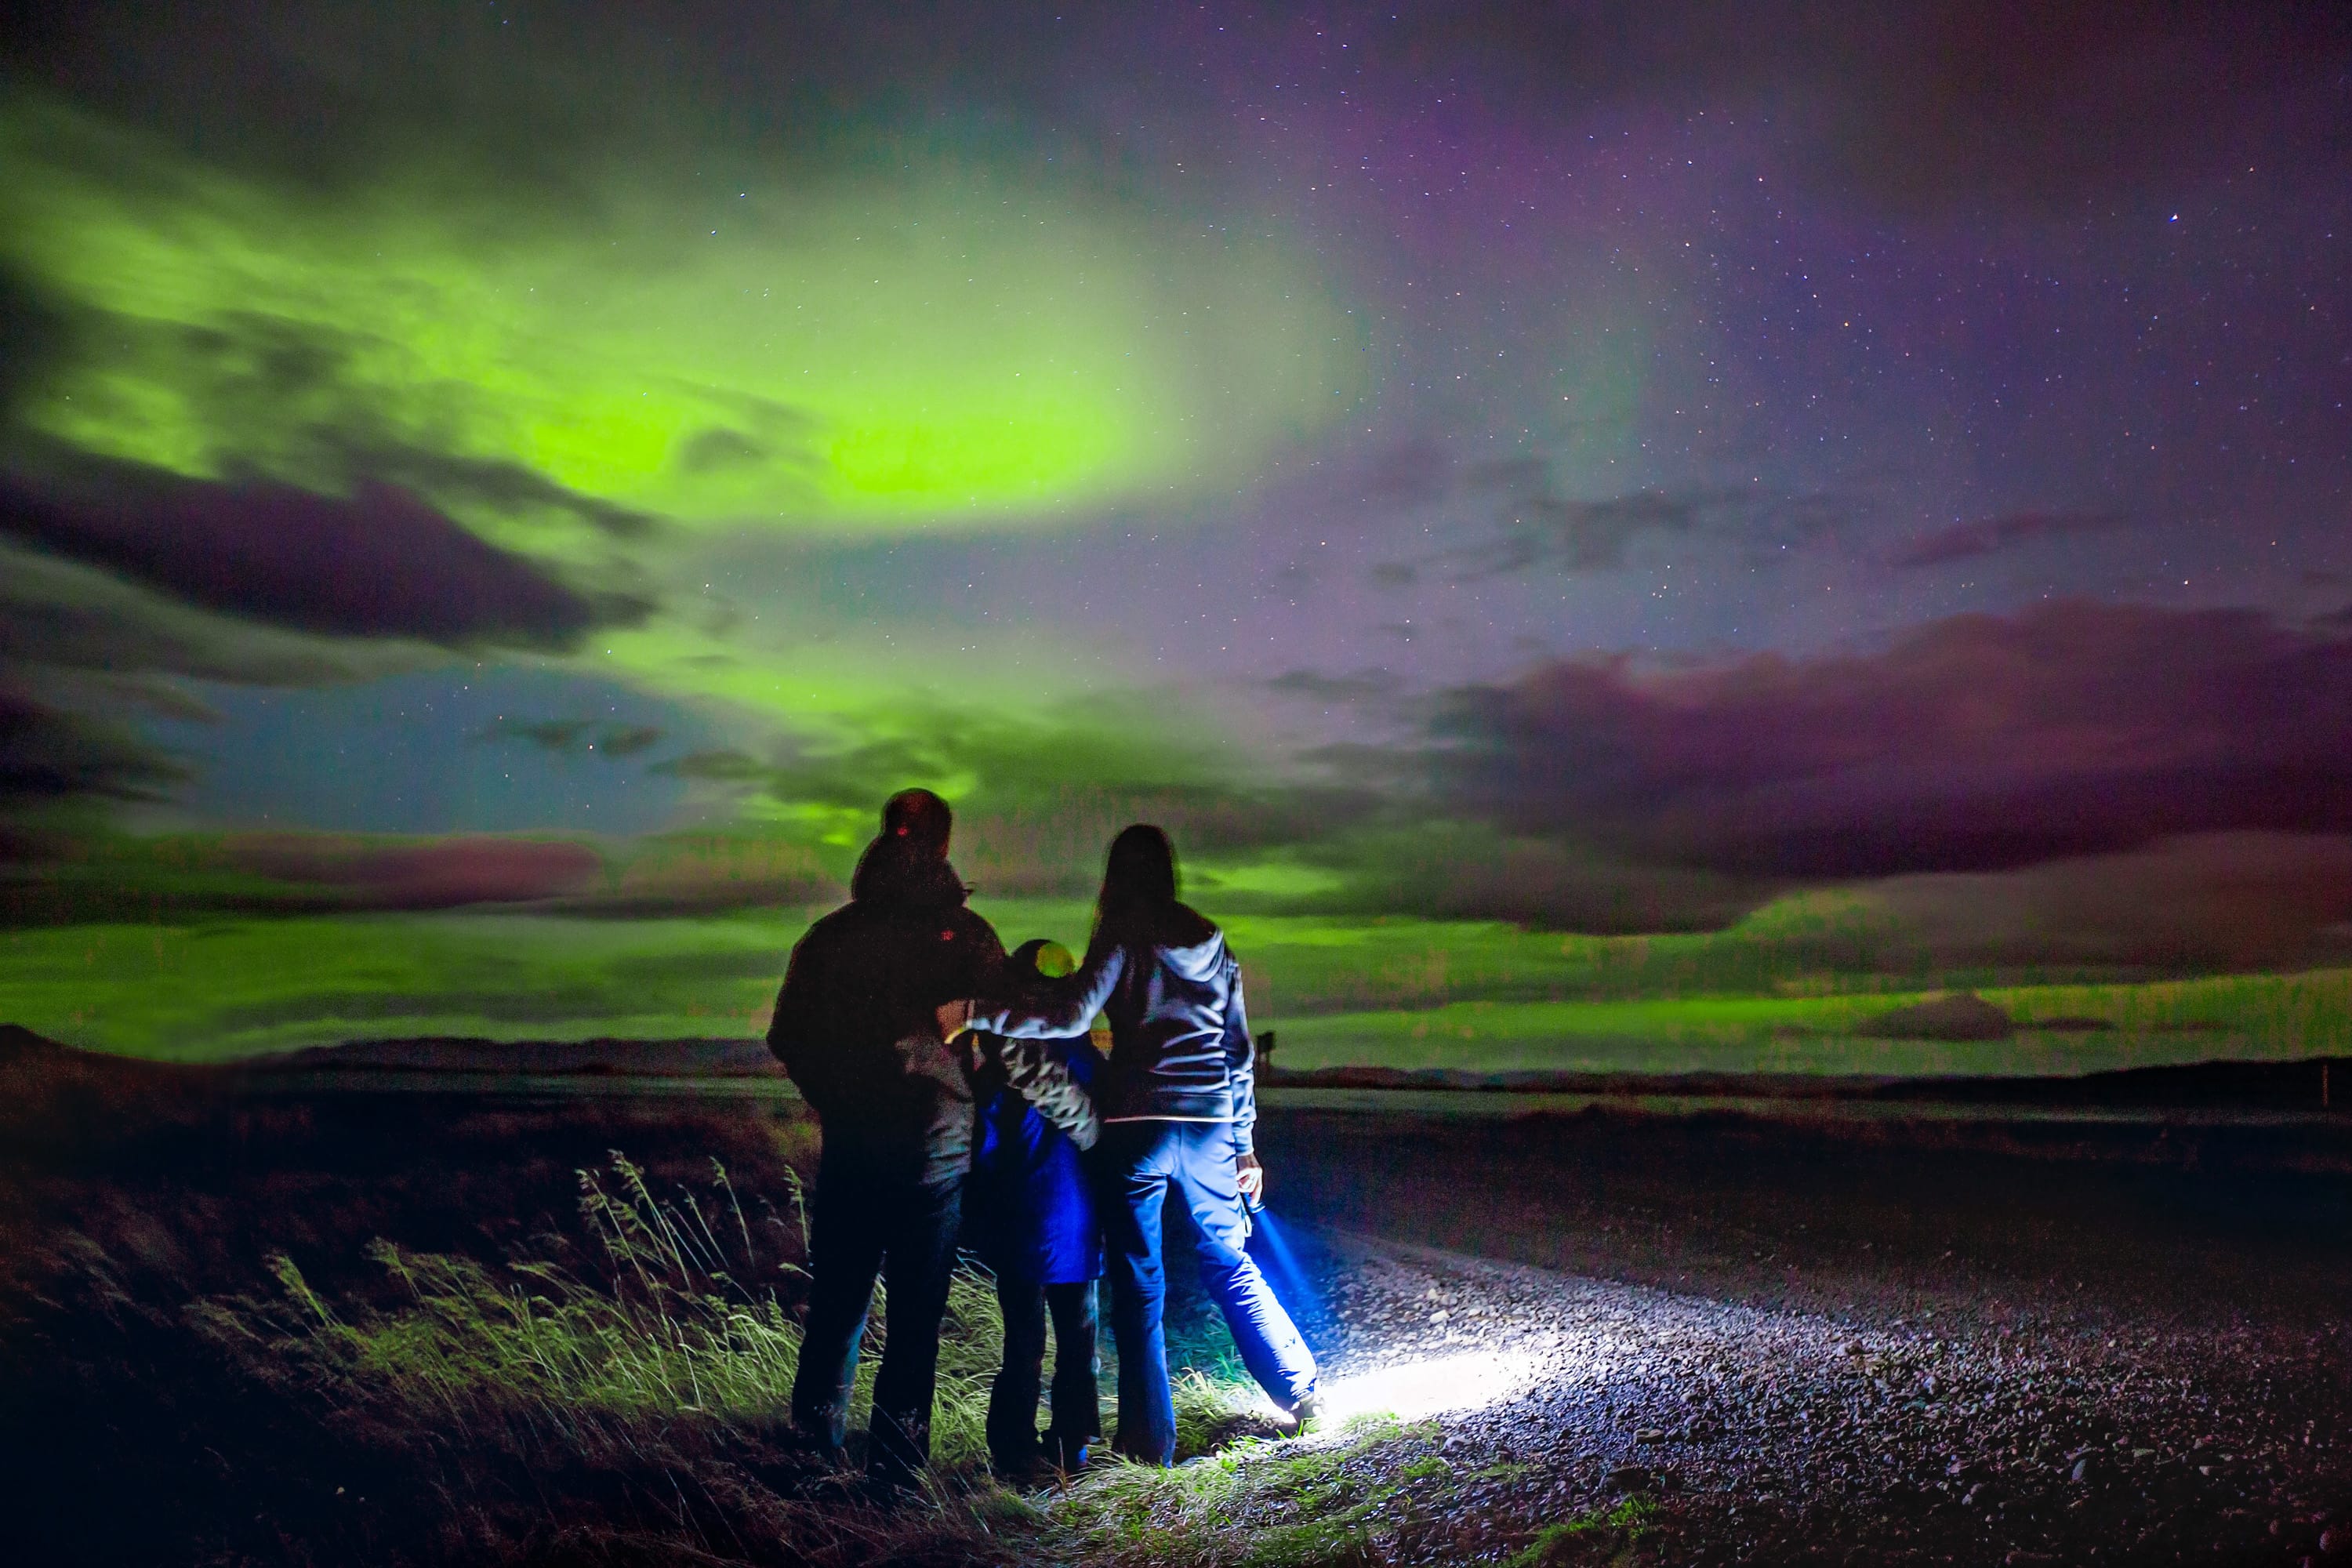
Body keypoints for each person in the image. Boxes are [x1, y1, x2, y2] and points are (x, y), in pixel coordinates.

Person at [942, 824, 1318, 1466]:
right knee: (1230, 1260)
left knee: (1140, 1289)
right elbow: (1237, 1052)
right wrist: (1245, 1146)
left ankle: (1149, 1449)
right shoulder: (1213, 940)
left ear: (1116, 877)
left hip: (1136, 1127)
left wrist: (975, 1011)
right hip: (1207, 1130)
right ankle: (1301, 1391)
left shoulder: (1119, 933)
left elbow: (1067, 1019)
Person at [767, 789, 1095, 1487]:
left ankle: (810, 1461)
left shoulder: (830, 937)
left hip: (855, 1153)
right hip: (936, 1159)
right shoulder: (971, 939)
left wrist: (838, 1101)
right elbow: (1006, 1047)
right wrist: (992, 1101)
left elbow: (787, 1035)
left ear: (883, 837)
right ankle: (897, 1475)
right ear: (946, 847)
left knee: (836, 1313)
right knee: (915, 1326)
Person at [966, 938, 1107, 1478]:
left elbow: (986, 1148)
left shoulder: (1001, 1063)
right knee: (1079, 1339)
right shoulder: (1089, 1057)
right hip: (1080, 1225)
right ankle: (1075, 1446)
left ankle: (1015, 1450)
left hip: (1022, 1222)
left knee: (1023, 1341)